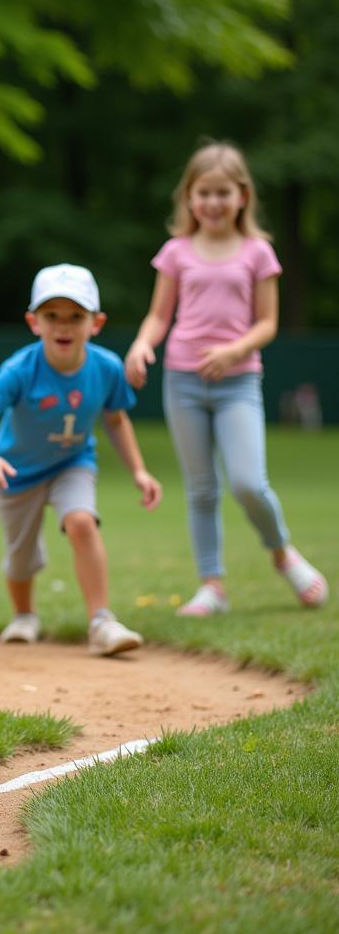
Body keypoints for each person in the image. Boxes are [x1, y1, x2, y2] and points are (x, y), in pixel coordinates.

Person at [125, 141, 328, 615]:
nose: (213, 203)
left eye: (223, 193)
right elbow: (159, 315)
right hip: (183, 382)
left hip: (239, 384)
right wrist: (141, 344)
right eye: (204, 193)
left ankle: (283, 555)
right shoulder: (176, 252)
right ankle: (212, 586)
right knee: (201, 488)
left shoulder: (258, 253)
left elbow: (268, 323)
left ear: (242, 196)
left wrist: (235, 349)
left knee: (248, 483)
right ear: (189, 198)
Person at [0, 264, 162, 656]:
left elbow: (116, 420)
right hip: (16, 473)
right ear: (34, 322)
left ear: (96, 323)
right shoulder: (21, 368)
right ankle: (24, 615)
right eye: (52, 316)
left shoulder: (107, 368)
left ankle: (101, 621)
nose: (63, 326)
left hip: (73, 461)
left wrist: (138, 469)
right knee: (21, 558)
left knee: (82, 521)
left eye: (75, 316)